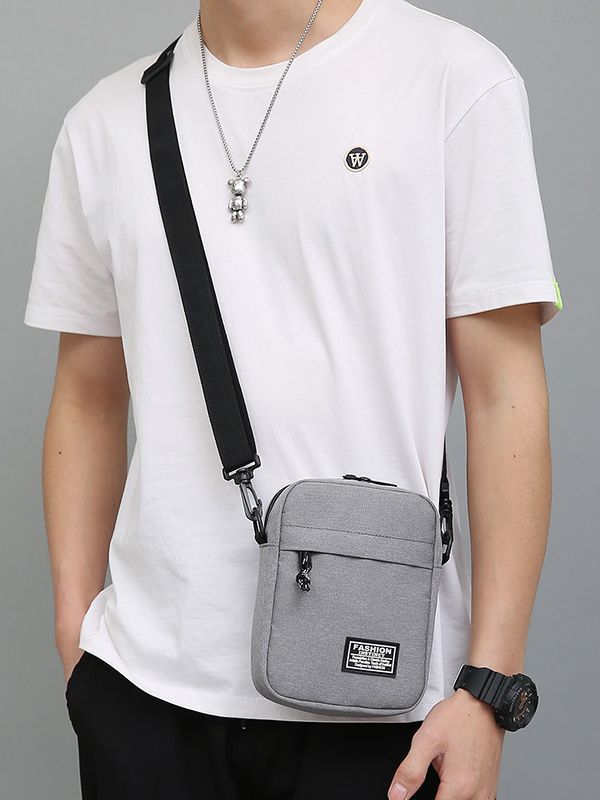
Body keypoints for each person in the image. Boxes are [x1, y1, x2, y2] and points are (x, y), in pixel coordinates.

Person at [24, 1, 563, 798]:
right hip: (143, 692)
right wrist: (78, 642)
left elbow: (504, 395)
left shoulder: (456, 79)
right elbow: (88, 395)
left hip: (384, 696)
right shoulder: (103, 123)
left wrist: (490, 685)